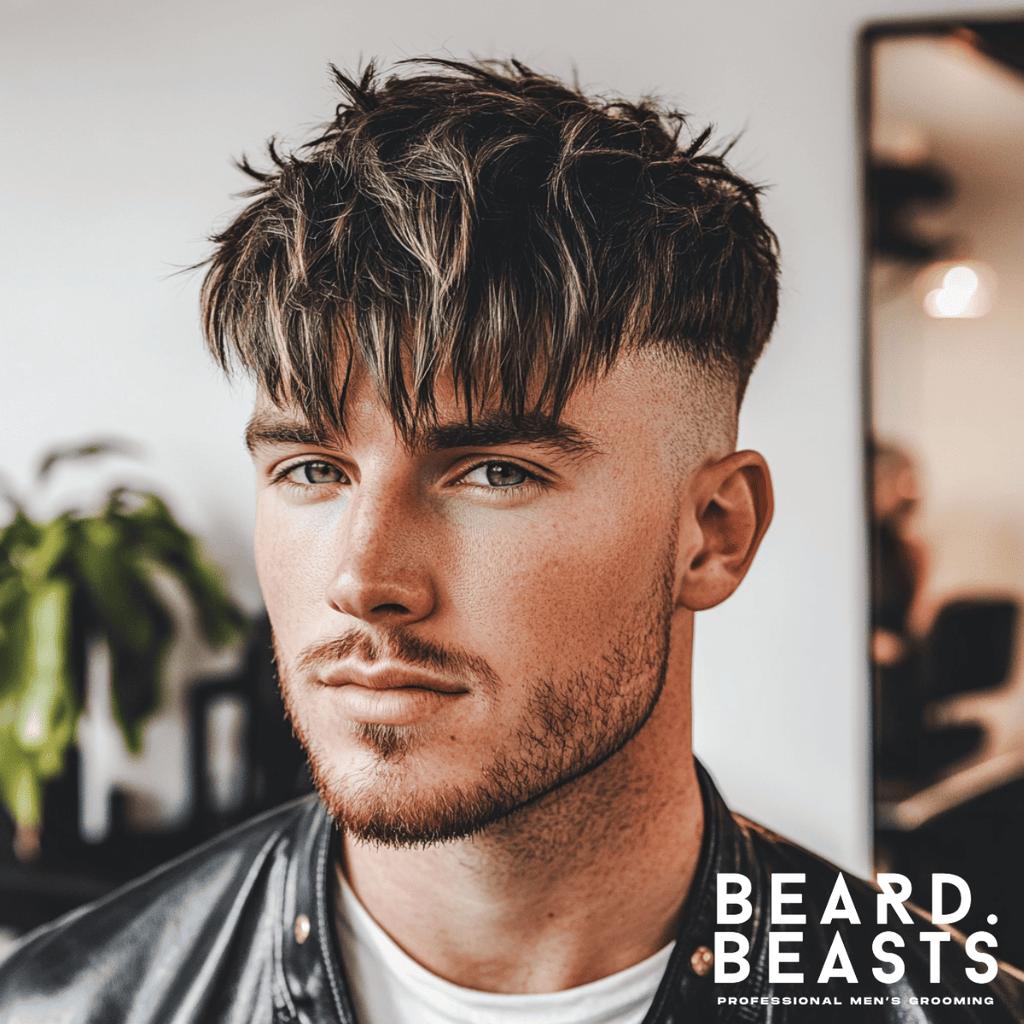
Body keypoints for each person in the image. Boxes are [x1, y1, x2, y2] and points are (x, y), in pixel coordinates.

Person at [1, 58, 1021, 1023]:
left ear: (713, 534)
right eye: (312, 469)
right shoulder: (67, 1005)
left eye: (495, 472)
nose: (363, 579)